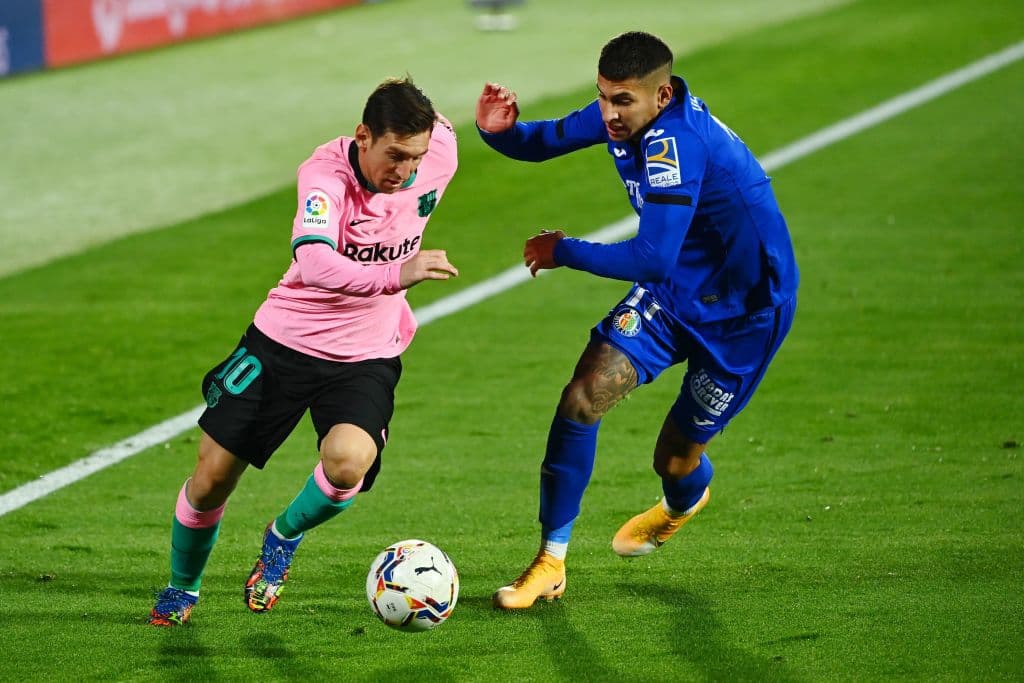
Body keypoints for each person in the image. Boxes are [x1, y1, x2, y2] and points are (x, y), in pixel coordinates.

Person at [475, 31, 798, 609]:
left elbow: (649, 257)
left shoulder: (677, 144)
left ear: (662, 95)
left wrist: (563, 249)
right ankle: (550, 561)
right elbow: (545, 138)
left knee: (674, 458)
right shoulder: (622, 115)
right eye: (602, 97)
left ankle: (681, 503)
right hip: (674, 296)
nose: (608, 113)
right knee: (581, 399)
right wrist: (497, 131)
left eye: (622, 100)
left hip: (744, 315)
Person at [148, 77, 459, 626]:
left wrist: (499, 125)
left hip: (366, 352)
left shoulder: (439, 148)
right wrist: (396, 273)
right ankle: (183, 587)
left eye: (415, 158)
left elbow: (447, 126)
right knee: (212, 477)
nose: (406, 172)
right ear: (363, 136)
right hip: (284, 343)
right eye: (394, 156)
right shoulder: (324, 175)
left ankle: (282, 537)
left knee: (348, 464)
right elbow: (315, 264)